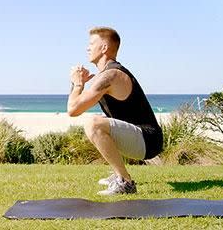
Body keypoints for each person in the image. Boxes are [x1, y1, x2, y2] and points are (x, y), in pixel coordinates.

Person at [67, 27, 163, 195]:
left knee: (93, 124)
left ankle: (125, 182)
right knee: (97, 120)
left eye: (91, 44)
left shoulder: (110, 76)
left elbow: (73, 110)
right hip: (140, 138)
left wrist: (78, 84)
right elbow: (75, 107)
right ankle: (119, 174)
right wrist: (79, 85)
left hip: (148, 140)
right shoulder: (105, 75)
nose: (87, 48)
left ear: (104, 48)